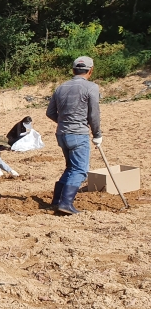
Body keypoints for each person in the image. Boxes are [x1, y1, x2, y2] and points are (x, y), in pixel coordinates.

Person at [46, 56, 102, 214]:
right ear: (90, 71)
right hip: (78, 134)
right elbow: (94, 115)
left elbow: (50, 113)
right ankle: (66, 203)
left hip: (62, 135)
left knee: (71, 168)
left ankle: (57, 200)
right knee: (80, 170)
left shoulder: (60, 88)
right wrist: (97, 134)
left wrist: (64, 123)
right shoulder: (91, 87)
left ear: (73, 70)